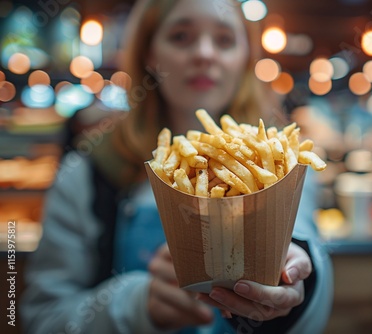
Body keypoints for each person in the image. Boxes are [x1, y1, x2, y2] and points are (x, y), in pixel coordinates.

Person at [20, 0, 334, 333]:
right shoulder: (87, 174)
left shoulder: (282, 163)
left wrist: (295, 287)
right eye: (181, 36)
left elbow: (313, 293)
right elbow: (41, 317)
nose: (204, 54)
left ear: (245, 58)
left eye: (225, 40)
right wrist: (136, 306)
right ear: (150, 55)